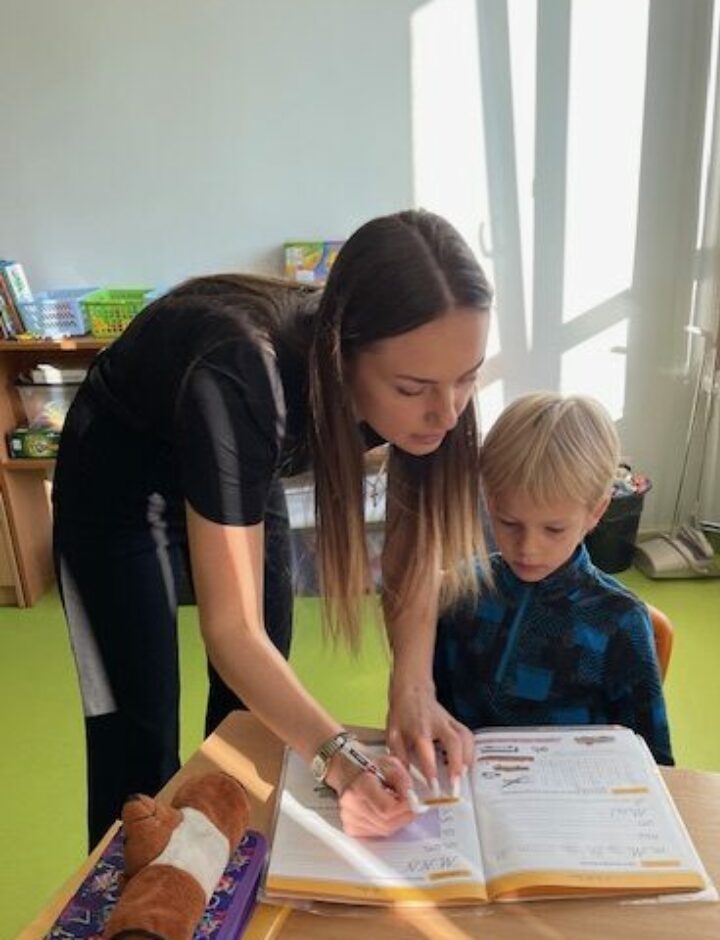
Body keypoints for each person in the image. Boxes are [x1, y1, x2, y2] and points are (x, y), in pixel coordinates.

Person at [53, 209, 491, 846]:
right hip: (118, 479)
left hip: (238, 462)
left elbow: (413, 548)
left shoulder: (434, 385)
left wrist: (414, 687)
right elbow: (231, 630)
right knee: (137, 737)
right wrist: (343, 761)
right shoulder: (244, 371)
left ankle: (221, 862)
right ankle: (133, 893)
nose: (446, 413)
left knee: (252, 715)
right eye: (411, 389)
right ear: (341, 354)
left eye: (467, 378)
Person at [433, 392, 673, 764]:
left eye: (554, 529)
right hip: (464, 785)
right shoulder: (462, 592)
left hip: (575, 791)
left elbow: (651, 758)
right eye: (509, 523)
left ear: (596, 513)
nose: (527, 548)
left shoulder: (620, 620)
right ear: (489, 502)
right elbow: (431, 709)